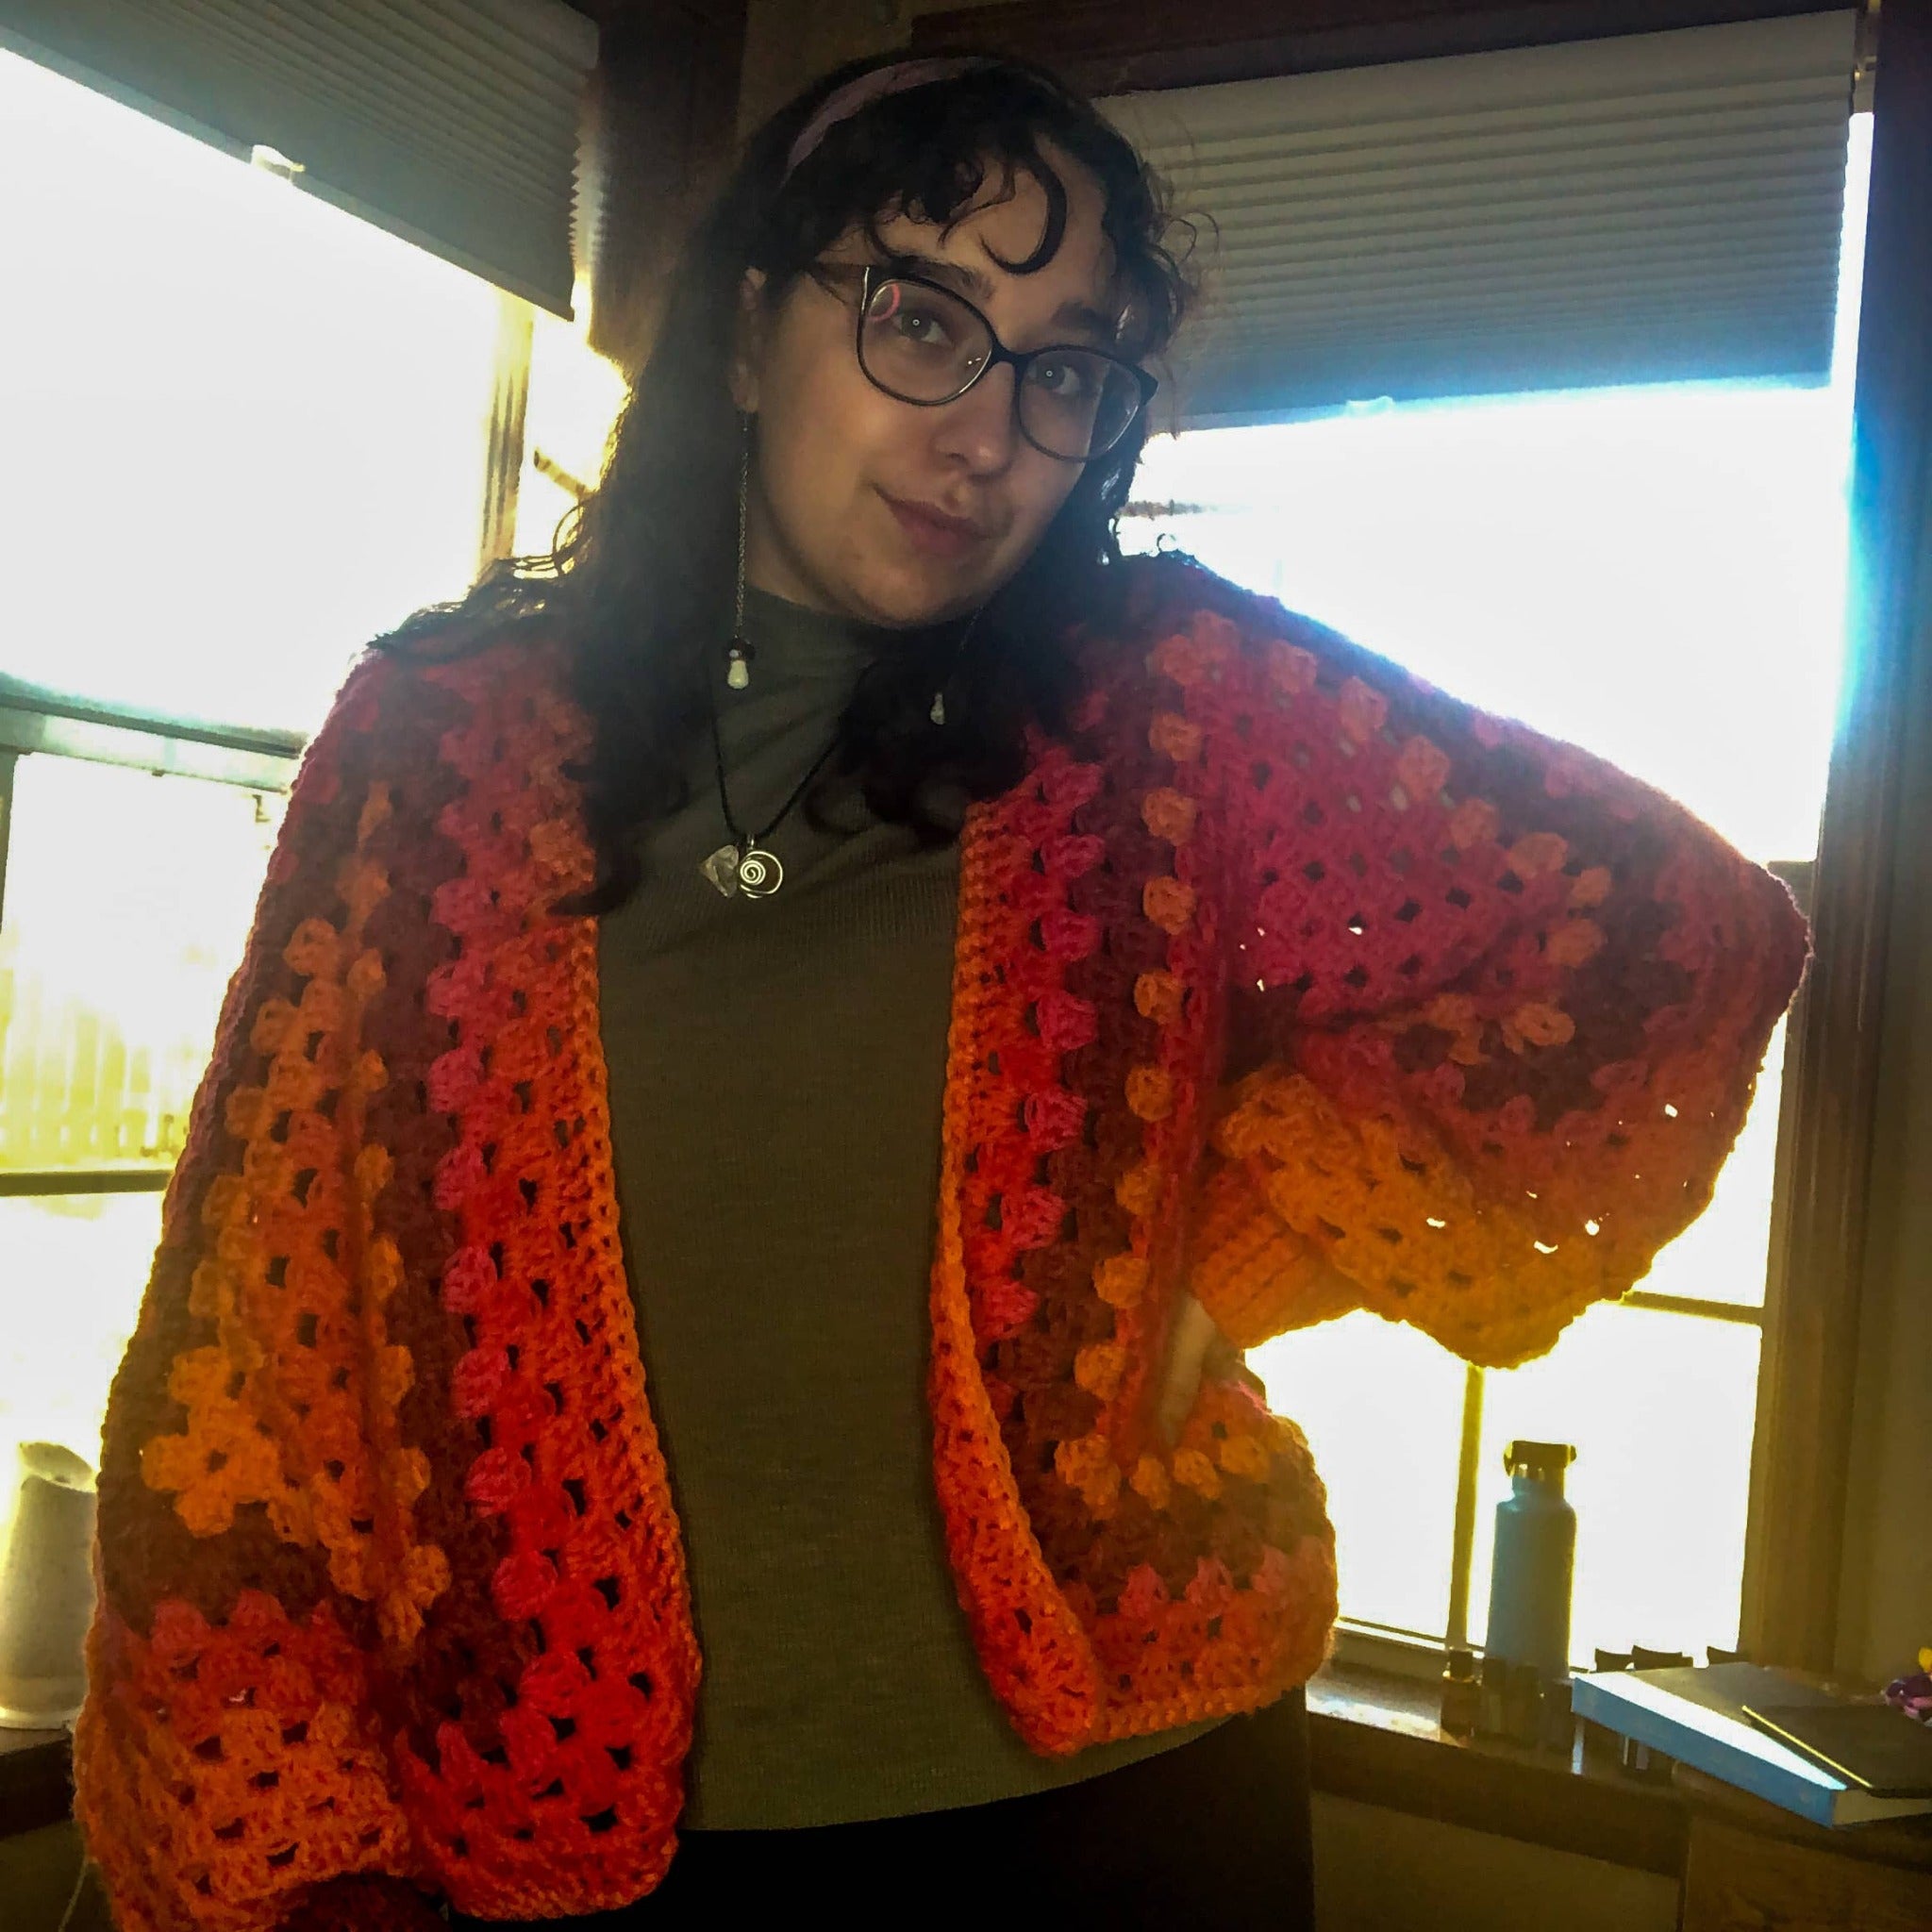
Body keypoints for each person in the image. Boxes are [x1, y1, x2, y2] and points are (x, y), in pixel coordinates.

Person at [72, 51, 1808, 1932]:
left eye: (1059, 369)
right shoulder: (438, 749)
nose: (986, 432)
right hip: (570, 1849)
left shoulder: (1166, 710)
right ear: (747, 336)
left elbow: (1662, 934)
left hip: (1123, 1814)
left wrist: (1240, 1247)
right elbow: (249, 1361)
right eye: (920, 316)